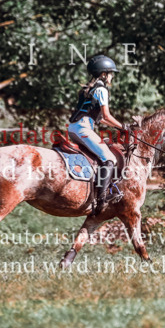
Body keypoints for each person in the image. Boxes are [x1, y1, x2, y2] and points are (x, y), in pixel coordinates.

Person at [68, 54, 125, 211]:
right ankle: (101, 199)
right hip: (83, 129)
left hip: (74, 128)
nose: (112, 76)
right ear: (104, 74)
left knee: (100, 155)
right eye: (111, 73)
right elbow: (107, 116)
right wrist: (123, 127)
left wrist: (119, 126)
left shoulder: (91, 88)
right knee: (110, 158)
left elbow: (102, 120)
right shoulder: (102, 90)